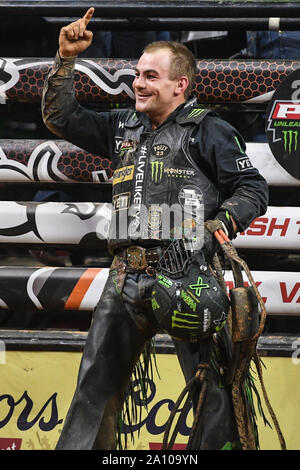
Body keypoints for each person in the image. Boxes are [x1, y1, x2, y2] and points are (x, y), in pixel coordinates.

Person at [42, 8, 269, 450]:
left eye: (149, 76)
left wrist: (217, 225)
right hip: (125, 277)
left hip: (190, 275)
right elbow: (62, 118)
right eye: (137, 74)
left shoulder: (211, 130)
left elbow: (252, 188)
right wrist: (66, 58)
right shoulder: (122, 127)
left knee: (215, 394)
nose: (138, 84)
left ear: (179, 85)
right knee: (94, 391)